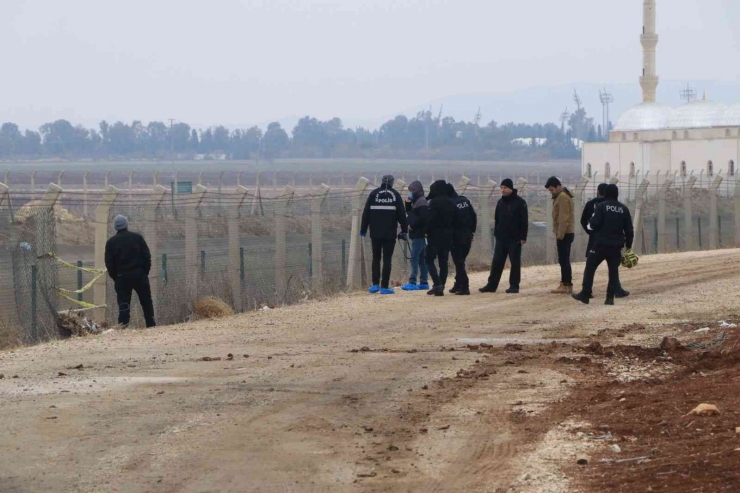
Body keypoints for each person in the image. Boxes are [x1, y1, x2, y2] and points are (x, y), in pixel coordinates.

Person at [572, 184, 634, 305]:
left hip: (600, 244)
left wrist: (590, 228)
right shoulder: (624, 209)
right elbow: (629, 230)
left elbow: (594, 223)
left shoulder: (601, 207)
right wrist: (629, 246)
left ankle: (585, 294)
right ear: (617, 194)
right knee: (613, 271)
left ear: (605, 194)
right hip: (616, 246)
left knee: (590, 268)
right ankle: (609, 298)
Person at [104, 215, 156, 328]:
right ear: (126, 224)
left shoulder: (111, 242)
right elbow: (147, 257)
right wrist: (144, 272)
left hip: (122, 277)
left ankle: (123, 326)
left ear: (115, 227)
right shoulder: (138, 238)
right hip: (139, 275)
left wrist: (116, 277)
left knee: (124, 304)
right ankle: (151, 324)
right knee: (146, 301)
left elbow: (109, 263)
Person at [360, 174, 408, 295]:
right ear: (392, 183)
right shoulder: (395, 195)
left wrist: (363, 228)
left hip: (375, 233)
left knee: (376, 258)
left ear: (381, 182)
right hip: (389, 234)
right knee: (387, 259)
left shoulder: (373, 194)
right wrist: (404, 230)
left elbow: (366, 213)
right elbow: (402, 215)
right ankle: (384, 286)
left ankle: (375, 285)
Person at [480, 178, 528, 294]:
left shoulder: (520, 202)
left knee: (515, 262)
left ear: (511, 188)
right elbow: (497, 219)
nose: (503, 190)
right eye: (501, 188)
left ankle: (514, 285)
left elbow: (524, 221)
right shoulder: (500, 202)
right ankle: (491, 285)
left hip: (515, 238)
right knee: (497, 262)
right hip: (501, 238)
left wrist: (523, 237)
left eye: (505, 188)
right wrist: (497, 233)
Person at [425, 180, 456, 296]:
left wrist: (425, 231)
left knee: (428, 259)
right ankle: (441, 286)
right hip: (448, 236)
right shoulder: (451, 202)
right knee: (443, 262)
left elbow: (430, 219)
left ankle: (437, 283)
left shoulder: (434, 203)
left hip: (435, 236)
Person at [545, 176, 575, 295]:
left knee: (564, 259)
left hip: (565, 233)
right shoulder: (562, 195)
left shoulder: (562, 197)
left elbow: (563, 218)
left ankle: (566, 284)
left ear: (558, 186)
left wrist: (560, 235)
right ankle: (565, 283)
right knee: (564, 259)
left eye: (552, 190)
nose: (551, 192)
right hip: (566, 232)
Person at [447, 183, 477, 296]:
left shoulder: (450, 204)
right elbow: (473, 216)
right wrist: (472, 232)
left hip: (456, 237)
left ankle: (465, 286)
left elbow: (449, 222)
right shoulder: (464, 201)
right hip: (467, 235)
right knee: (461, 261)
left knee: (458, 262)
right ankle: (458, 284)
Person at [402, 181, 430, 291]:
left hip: (419, 235)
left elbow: (423, 218)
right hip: (418, 234)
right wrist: (407, 203)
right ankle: (423, 282)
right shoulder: (416, 201)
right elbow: (410, 214)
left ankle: (412, 281)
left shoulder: (421, 202)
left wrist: (413, 225)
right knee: (422, 259)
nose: (410, 193)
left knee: (414, 258)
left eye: (411, 191)